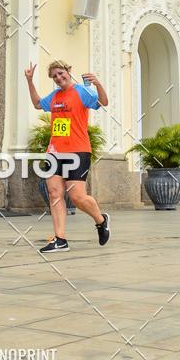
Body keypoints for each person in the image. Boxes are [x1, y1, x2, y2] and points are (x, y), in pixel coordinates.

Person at [25, 60, 110, 253]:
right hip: (55, 152)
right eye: (55, 76)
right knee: (54, 194)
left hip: (77, 151)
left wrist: (97, 83)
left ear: (69, 71)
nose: (59, 78)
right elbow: (38, 104)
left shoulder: (82, 91)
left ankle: (101, 220)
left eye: (61, 73)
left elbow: (103, 102)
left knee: (77, 196)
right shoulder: (55, 96)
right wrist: (30, 81)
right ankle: (60, 239)